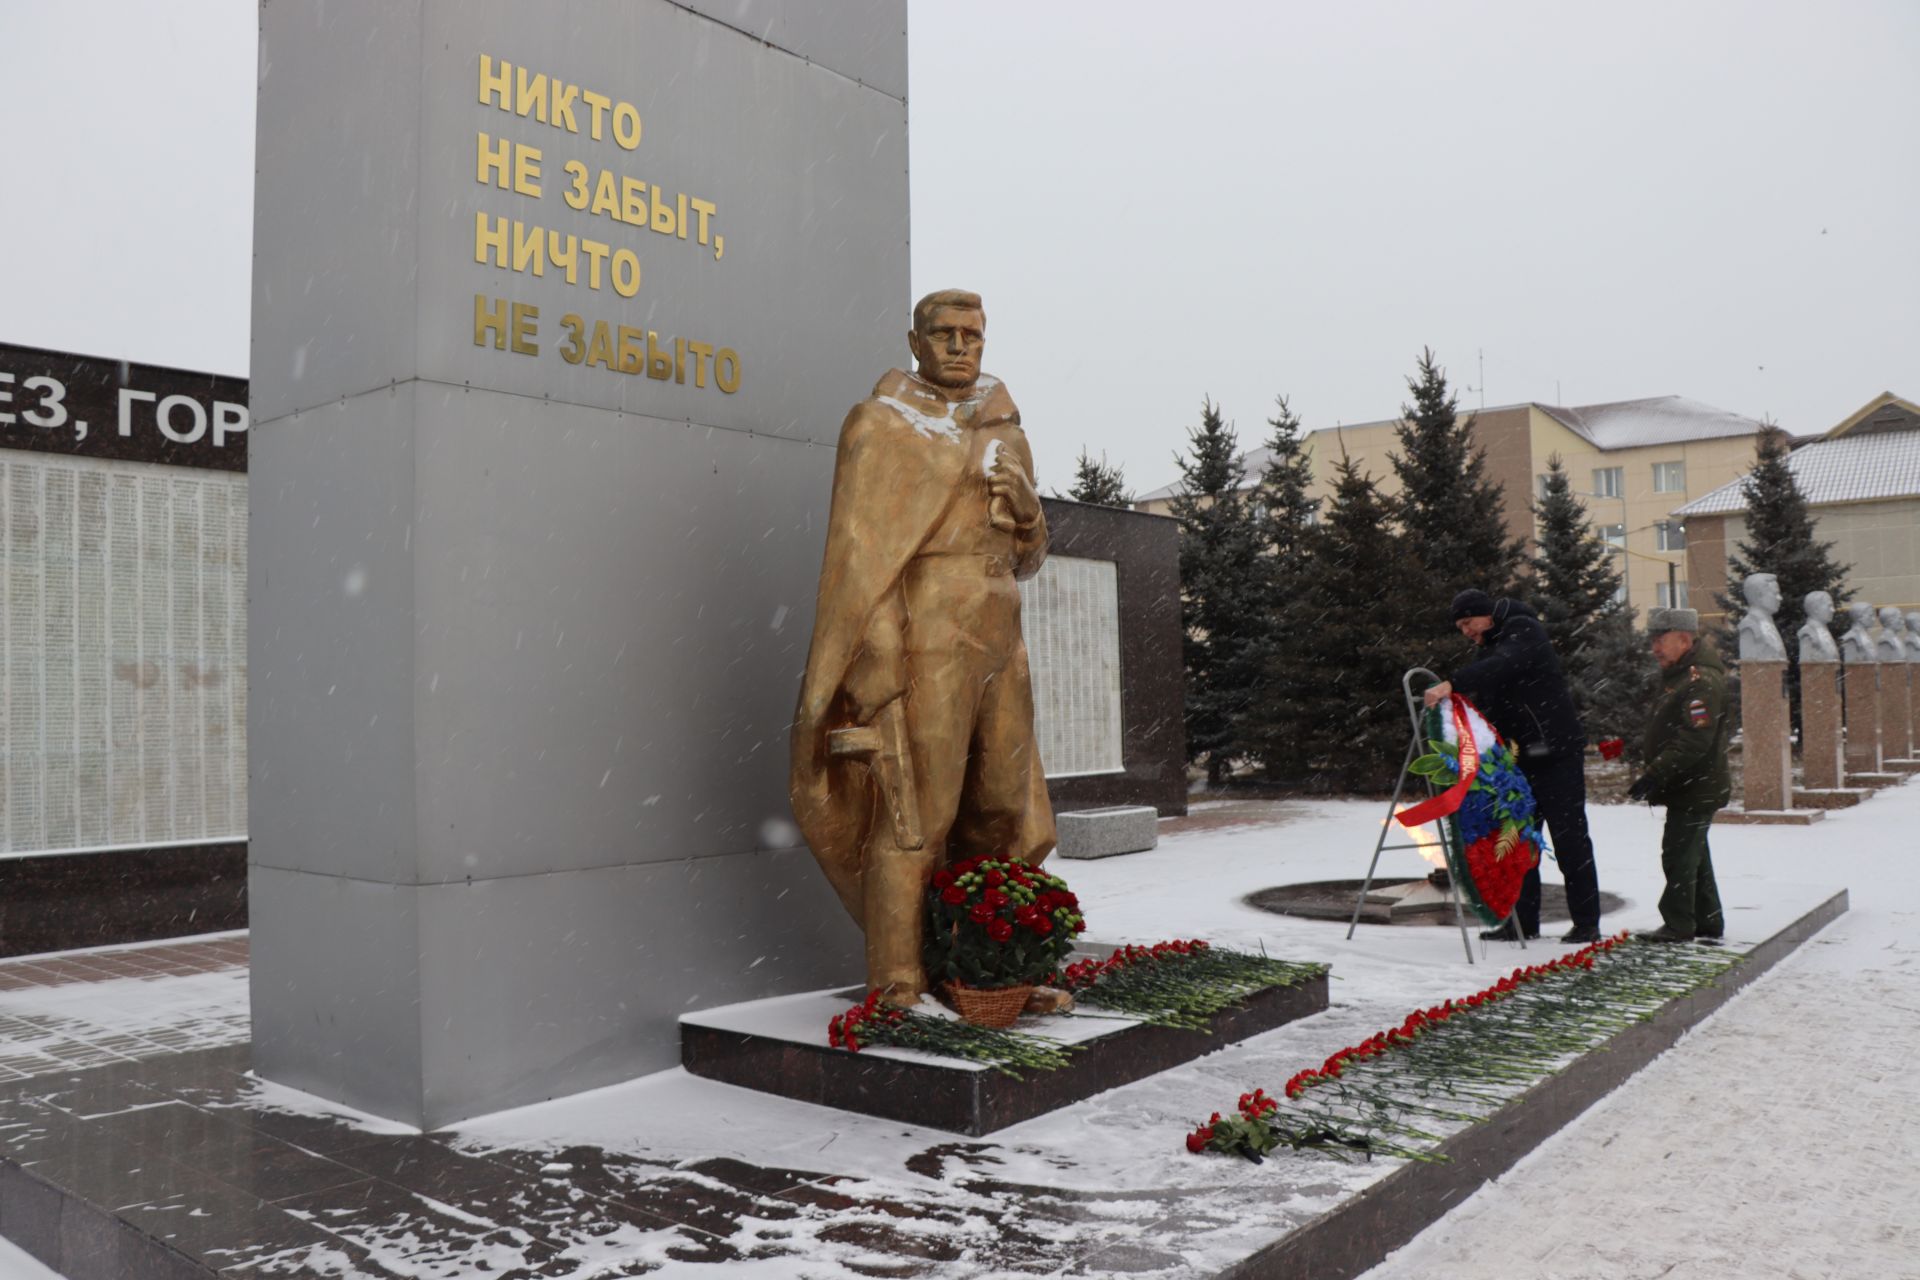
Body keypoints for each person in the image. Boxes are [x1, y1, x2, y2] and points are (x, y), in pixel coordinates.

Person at [790, 289, 1056, 1007]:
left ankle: (992, 968)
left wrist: (1030, 513)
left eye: (973, 333)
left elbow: (1029, 557)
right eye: (946, 333)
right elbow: (860, 563)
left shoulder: (1005, 428)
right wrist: (874, 665)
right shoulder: (878, 427)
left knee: (1002, 809)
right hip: (928, 638)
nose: (962, 346)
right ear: (916, 341)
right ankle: (900, 981)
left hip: (1002, 631)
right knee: (916, 816)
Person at [1422, 589, 1602, 944]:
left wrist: (1453, 683)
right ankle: (1522, 923)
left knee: (1570, 841)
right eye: (1460, 626)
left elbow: (1505, 664)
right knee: (1517, 841)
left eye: (1467, 623)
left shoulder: (1523, 630)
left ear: (1485, 615)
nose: (1466, 631)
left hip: (1556, 754)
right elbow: (1493, 698)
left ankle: (1586, 923)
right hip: (1520, 760)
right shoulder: (1491, 645)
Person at [1625, 608, 1731, 944]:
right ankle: (1708, 921)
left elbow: (1694, 740)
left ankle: (1678, 924)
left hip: (1695, 785)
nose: (1655, 648)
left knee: (1679, 854)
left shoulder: (1699, 681)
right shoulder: (1681, 676)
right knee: (1694, 855)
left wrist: (1655, 775)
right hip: (1690, 783)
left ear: (1684, 639)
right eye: (1653, 640)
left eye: (1661, 640)